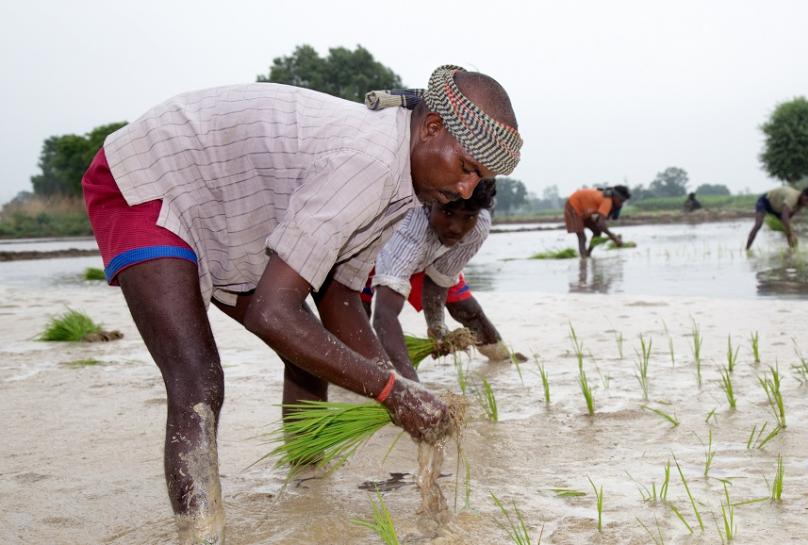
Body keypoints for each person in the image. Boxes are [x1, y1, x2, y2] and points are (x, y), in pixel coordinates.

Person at [81, 65, 522, 544]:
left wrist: (400, 393)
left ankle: (307, 486)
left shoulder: (403, 186)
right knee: (197, 376)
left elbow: (340, 297)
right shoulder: (369, 161)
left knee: (310, 354)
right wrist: (392, 392)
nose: (465, 190)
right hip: (154, 176)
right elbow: (273, 314)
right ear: (432, 126)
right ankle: (201, 533)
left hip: (235, 216)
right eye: (467, 168)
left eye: (479, 180)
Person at [362, 180, 524, 381]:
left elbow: (439, 280)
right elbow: (384, 313)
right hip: (378, 255)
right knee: (358, 309)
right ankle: (365, 368)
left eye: (468, 217)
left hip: (430, 258)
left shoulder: (478, 227)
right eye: (448, 213)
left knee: (468, 310)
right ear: (431, 203)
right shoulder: (410, 228)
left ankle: (502, 358)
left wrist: (437, 329)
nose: (456, 228)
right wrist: (412, 390)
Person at [745, 185, 808, 250]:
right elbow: (784, 217)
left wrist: (789, 232)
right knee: (758, 224)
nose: (807, 204)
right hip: (765, 201)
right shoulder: (792, 197)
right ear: (803, 194)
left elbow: (788, 218)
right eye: (807, 200)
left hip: (778, 208)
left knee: (788, 230)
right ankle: (747, 249)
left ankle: (793, 252)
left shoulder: (800, 204)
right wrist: (791, 233)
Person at [564, 185, 631, 257]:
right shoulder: (607, 201)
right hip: (573, 205)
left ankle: (588, 254)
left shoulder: (611, 200)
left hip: (584, 210)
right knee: (582, 237)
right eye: (620, 201)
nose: (621, 204)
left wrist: (612, 237)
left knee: (597, 231)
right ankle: (583, 258)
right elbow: (601, 224)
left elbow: (599, 221)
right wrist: (614, 238)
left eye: (623, 202)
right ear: (615, 196)